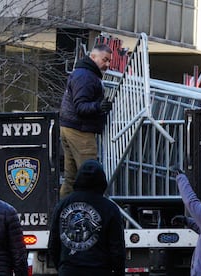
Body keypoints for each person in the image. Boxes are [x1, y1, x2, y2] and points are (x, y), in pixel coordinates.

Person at [48, 159, 125, 276]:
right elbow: (117, 249)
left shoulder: (62, 205)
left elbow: (53, 243)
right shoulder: (110, 208)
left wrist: (62, 267)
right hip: (100, 271)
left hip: (69, 270)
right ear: (102, 181)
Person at [59, 44, 113, 199]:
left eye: (109, 61)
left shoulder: (83, 73)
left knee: (71, 177)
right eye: (105, 60)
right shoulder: (86, 76)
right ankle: (91, 210)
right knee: (90, 174)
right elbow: (81, 107)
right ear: (93, 56)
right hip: (80, 130)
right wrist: (99, 106)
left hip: (70, 126)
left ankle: (62, 211)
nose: (107, 65)